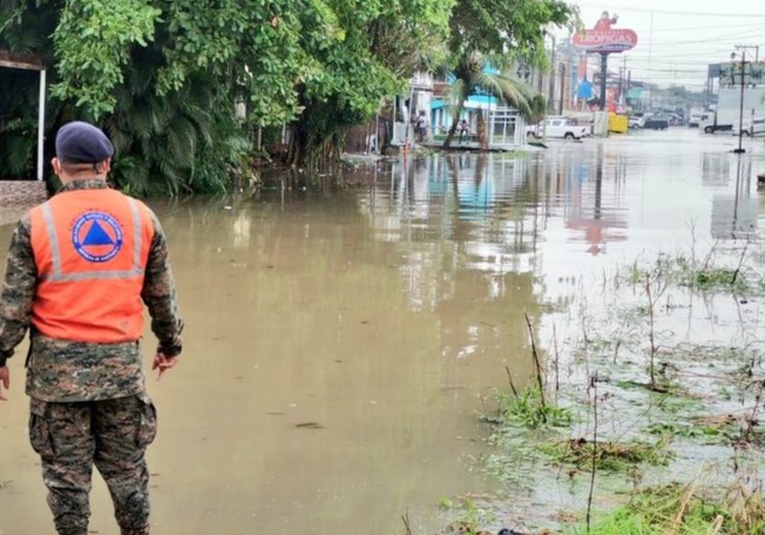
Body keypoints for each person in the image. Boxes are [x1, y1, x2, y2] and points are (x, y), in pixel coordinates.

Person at [0, 121, 184, 535]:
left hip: (56, 380)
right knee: (128, 474)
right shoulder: (142, 218)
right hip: (121, 376)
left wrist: (0, 355)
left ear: (57, 166)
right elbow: (162, 297)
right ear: (106, 164)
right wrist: (170, 345)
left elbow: (13, 306)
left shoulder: (35, 223)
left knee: (67, 482)